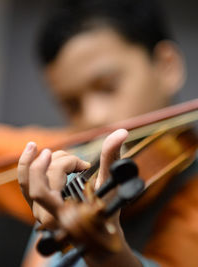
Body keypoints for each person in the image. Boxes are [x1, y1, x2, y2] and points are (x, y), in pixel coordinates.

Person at [17, 0, 198, 266]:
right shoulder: (69, 174)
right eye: (72, 105)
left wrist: (109, 256)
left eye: (108, 86)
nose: (93, 117)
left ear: (166, 66)